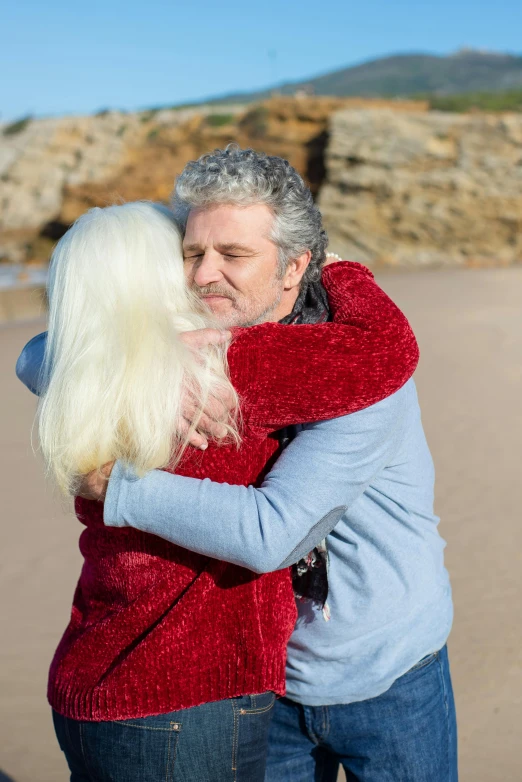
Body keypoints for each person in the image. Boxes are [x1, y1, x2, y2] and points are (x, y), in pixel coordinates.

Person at [17, 150, 420, 782]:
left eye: (233, 255)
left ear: (294, 266)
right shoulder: (198, 362)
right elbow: (36, 353)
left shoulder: (263, 362)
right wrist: (144, 368)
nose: (206, 275)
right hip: (200, 685)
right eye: (189, 255)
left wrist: (116, 470)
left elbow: (38, 354)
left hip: (380, 664)